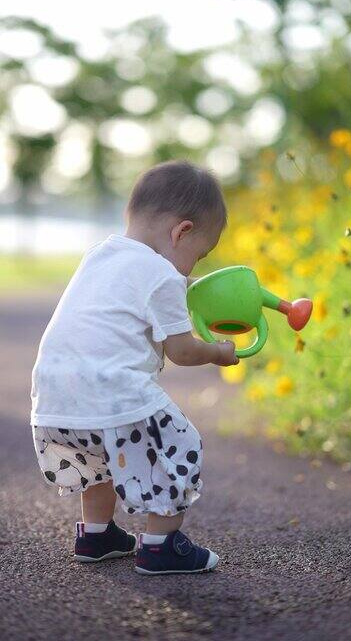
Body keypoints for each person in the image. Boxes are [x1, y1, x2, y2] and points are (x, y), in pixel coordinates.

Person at [31, 160, 239, 575]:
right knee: (176, 445)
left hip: (52, 402)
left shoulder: (99, 256)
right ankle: (161, 546)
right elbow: (180, 351)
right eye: (196, 256)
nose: (191, 270)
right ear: (181, 232)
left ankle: (96, 536)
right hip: (112, 392)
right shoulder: (161, 273)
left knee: (102, 458)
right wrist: (217, 352)